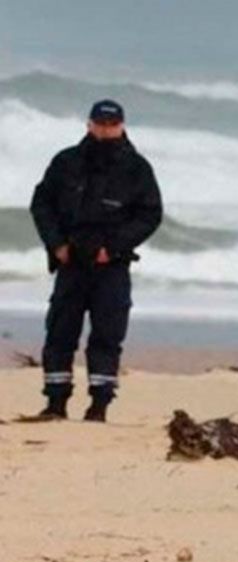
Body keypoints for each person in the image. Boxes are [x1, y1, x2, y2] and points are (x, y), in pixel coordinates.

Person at [29, 99, 162, 422]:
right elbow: (42, 203)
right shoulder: (67, 161)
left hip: (110, 266)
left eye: (111, 124)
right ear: (89, 124)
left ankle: (99, 406)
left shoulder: (136, 168)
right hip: (71, 262)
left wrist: (113, 248)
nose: (105, 129)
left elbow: (150, 214)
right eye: (99, 124)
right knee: (60, 332)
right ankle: (55, 404)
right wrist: (56, 244)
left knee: (107, 334)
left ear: (122, 125)